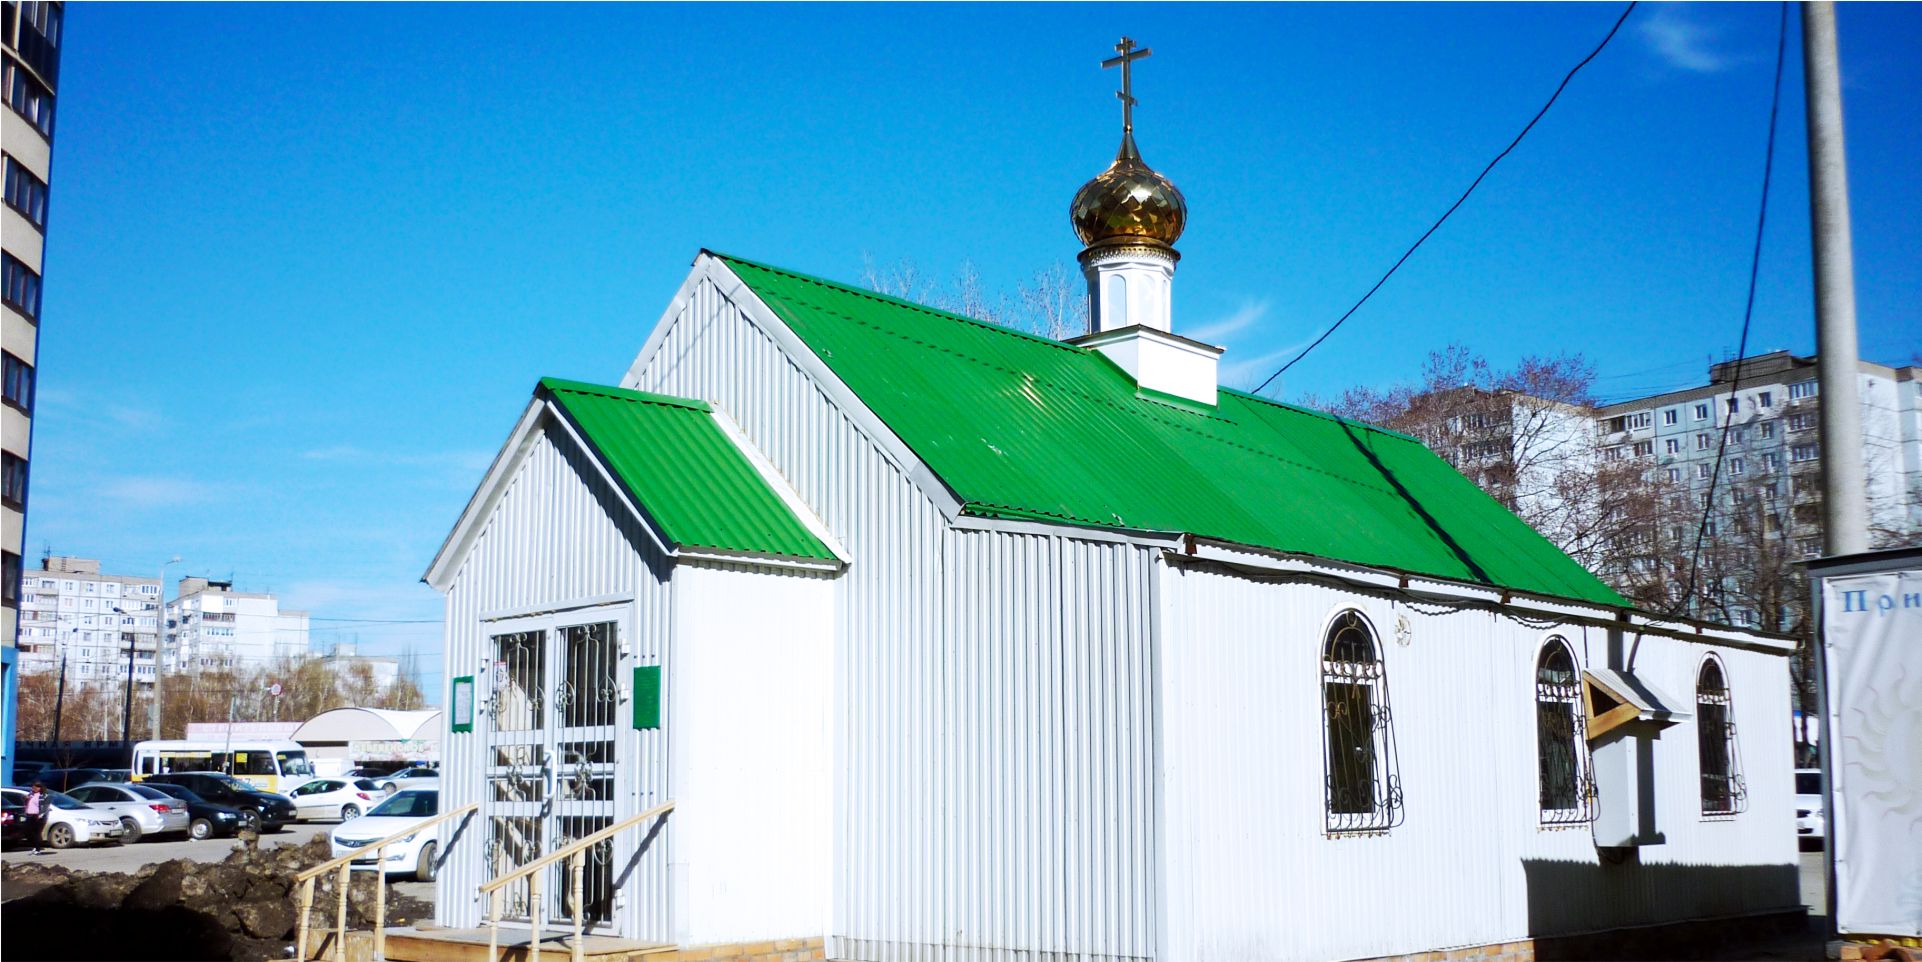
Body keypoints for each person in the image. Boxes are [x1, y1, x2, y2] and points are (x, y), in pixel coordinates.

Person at [24, 782, 48, 855]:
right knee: (28, 832)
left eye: (36, 787)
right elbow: (25, 800)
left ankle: (38, 849)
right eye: (33, 787)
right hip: (29, 815)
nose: (34, 789)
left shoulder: (43, 796)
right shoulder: (31, 794)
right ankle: (35, 847)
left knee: (37, 833)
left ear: (40, 788)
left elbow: (45, 807)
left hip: (37, 816)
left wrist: (40, 816)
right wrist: (25, 798)